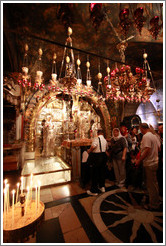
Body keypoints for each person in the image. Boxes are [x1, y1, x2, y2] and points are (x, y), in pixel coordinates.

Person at [135, 123, 161, 210]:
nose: (140, 130)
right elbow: (159, 148)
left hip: (149, 163)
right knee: (154, 183)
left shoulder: (146, 136)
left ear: (142, 128)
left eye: (140, 129)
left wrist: (139, 160)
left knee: (151, 184)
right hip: (154, 161)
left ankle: (153, 204)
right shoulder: (154, 136)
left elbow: (147, 150)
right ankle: (155, 200)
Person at [86, 128, 108, 196]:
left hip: (97, 156)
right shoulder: (105, 140)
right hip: (103, 156)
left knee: (95, 173)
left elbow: (94, 146)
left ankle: (94, 190)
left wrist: (89, 150)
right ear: (103, 133)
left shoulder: (96, 138)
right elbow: (106, 148)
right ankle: (102, 187)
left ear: (97, 133)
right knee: (102, 172)